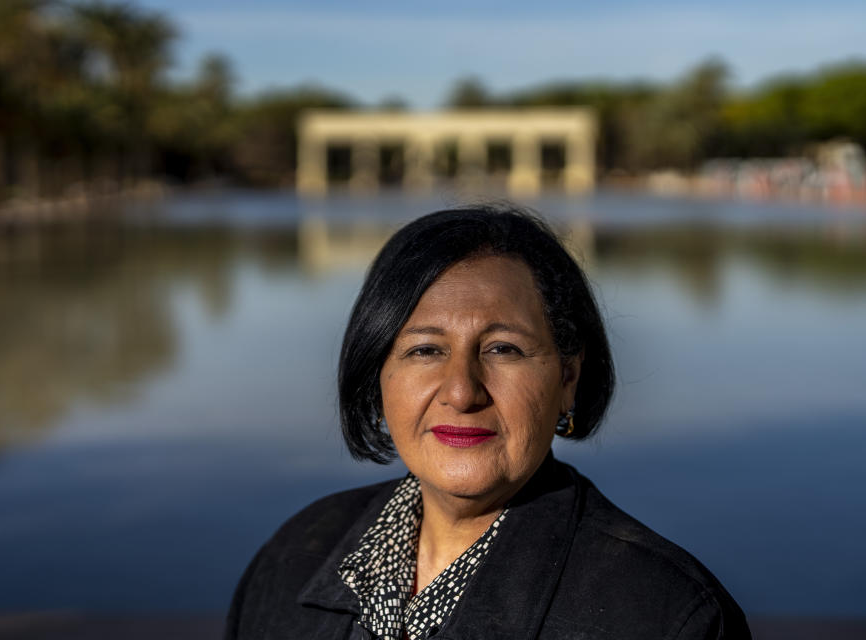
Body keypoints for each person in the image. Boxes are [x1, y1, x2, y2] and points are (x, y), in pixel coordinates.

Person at [225, 205, 750, 640]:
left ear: (568, 377)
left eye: (504, 349)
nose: (461, 391)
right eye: (426, 349)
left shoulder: (668, 617)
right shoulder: (293, 555)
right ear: (377, 373)